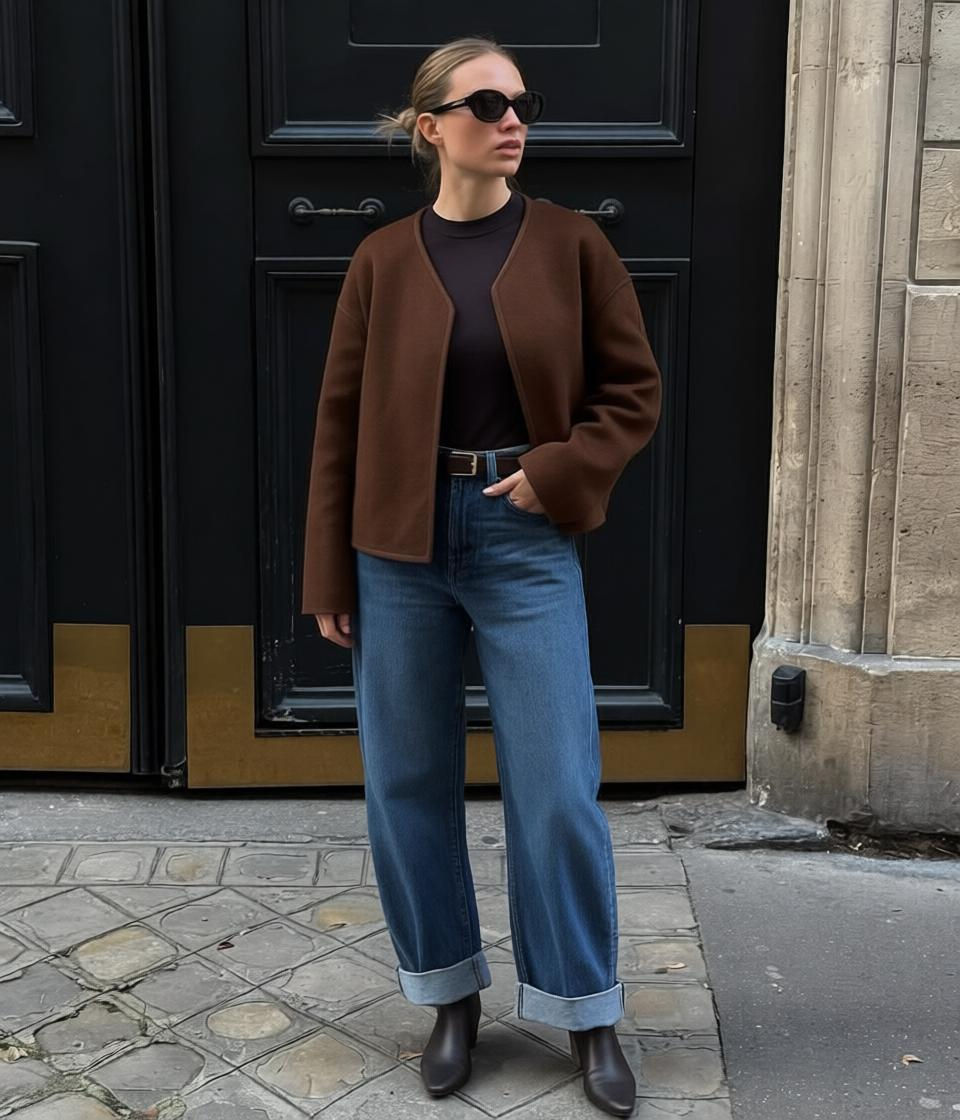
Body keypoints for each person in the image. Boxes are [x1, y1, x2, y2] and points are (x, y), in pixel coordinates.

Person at [302, 35, 662, 1118]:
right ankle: (449, 997)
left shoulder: (572, 245)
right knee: (408, 783)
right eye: (488, 104)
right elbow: (338, 423)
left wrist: (559, 471)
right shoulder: (381, 259)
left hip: (522, 535)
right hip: (397, 546)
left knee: (556, 788)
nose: (512, 121)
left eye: (521, 104)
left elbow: (632, 393)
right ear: (431, 128)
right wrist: (328, 571)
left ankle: (585, 1009)